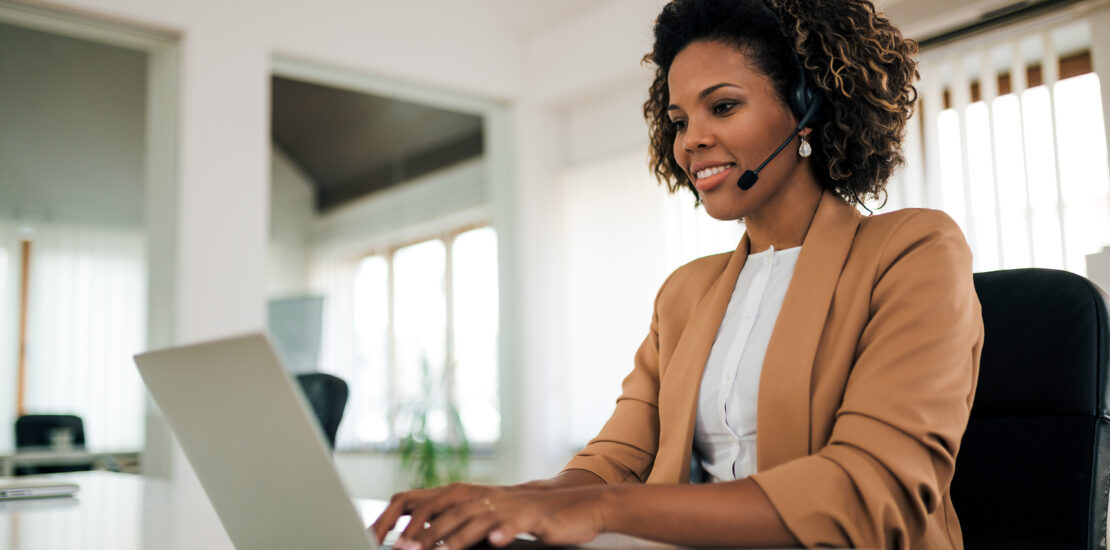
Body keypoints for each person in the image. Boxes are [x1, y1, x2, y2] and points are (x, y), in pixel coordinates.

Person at [372, 0, 983, 548]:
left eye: (722, 106)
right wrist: (505, 504)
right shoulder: (686, 292)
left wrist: (603, 511)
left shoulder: (912, 250)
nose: (690, 142)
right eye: (679, 120)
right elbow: (616, 460)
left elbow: (871, 491)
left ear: (809, 110)